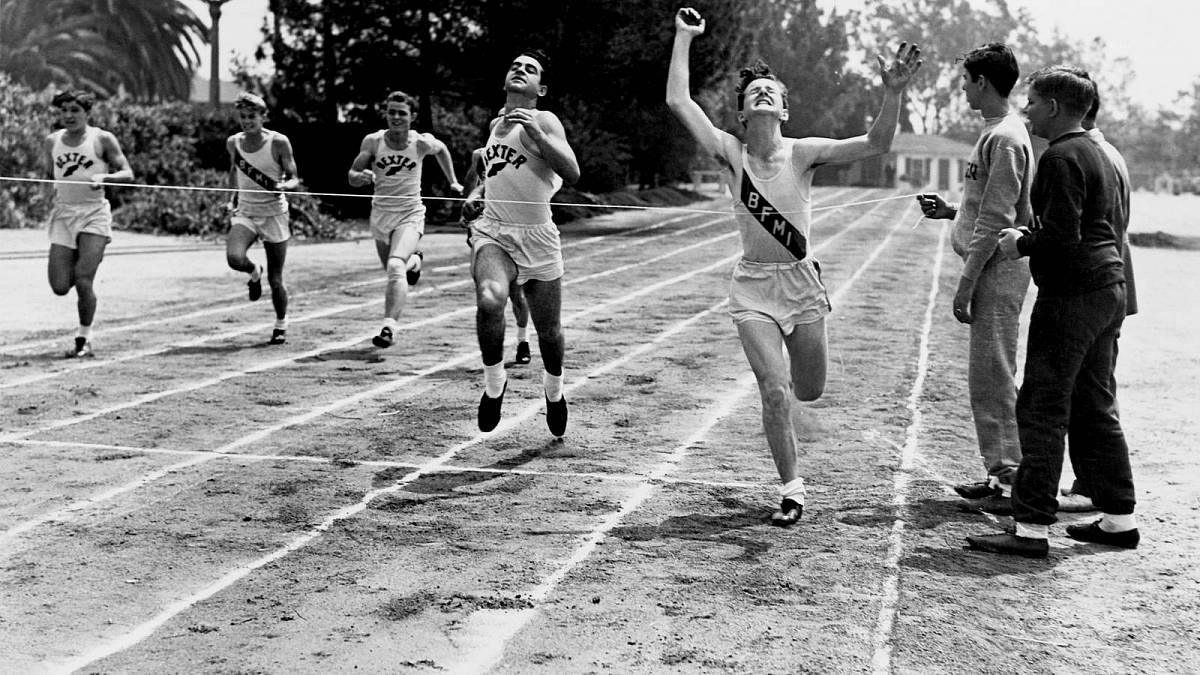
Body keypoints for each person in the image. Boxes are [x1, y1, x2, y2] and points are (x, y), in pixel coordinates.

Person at [666, 8, 921, 526]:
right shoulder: (729, 151)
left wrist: (892, 92)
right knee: (775, 390)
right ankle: (792, 488)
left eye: (771, 91)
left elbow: (876, 144)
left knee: (809, 390)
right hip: (754, 288)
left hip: (802, 285)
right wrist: (684, 36)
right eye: (754, 90)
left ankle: (794, 432)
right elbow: (678, 100)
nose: (762, 93)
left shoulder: (803, 153)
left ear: (784, 109)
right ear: (741, 113)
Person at [967, 67, 1138, 557]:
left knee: (1041, 406)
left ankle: (1031, 528)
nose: (1027, 110)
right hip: (1109, 290)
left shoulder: (1062, 157)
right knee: (1093, 404)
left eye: (1035, 102)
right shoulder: (1099, 152)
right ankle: (1119, 518)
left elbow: (1062, 236)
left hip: (1074, 295)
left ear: (1056, 108)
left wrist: (1021, 242)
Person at [915, 43, 1033, 515]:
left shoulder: (1005, 137)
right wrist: (951, 212)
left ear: (983, 82)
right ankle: (1000, 470)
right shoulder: (995, 134)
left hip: (997, 273)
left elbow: (999, 219)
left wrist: (964, 285)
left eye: (966, 79)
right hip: (990, 268)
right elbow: (983, 203)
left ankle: (1012, 478)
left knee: (994, 374)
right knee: (986, 376)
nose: (962, 86)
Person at [465, 49, 580, 437]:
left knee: (549, 331)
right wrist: (477, 190)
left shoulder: (544, 119)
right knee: (489, 299)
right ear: (505, 80)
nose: (520, 70)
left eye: (530, 69)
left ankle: (554, 392)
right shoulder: (496, 123)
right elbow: (497, 170)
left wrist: (536, 133)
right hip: (494, 230)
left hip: (538, 237)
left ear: (540, 88)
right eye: (515, 65)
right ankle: (494, 386)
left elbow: (572, 170)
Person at [1060, 78, 1138, 512]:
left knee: (1090, 392)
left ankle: (1095, 486)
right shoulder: (1108, 153)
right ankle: (1094, 485)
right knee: (1094, 388)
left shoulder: (1089, 156)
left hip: (1096, 284)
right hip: (1111, 281)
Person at [348, 90, 463, 348]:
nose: (396, 117)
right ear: (385, 114)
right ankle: (414, 261)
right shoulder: (373, 142)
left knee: (394, 267)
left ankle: (388, 327)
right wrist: (361, 176)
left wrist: (453, 181)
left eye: (402, 113)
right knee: (394, 268)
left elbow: (442, 150)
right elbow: (352, 174)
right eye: (392, 112)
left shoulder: (420, 143)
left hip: (410, 213)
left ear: (412, 116)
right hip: (381, 215)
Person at [43, 90, 134, 358]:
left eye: (75, 110)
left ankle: (84, 337)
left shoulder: (102, 138)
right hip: (63, 214)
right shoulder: (52, 141)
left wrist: (105, 179)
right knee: (60, 286)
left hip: (94, 213)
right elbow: (49, 176)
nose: (68, 116)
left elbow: (127, 173)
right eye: (63, 111)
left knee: (83, 280)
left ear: (87, 112)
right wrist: (43, 195)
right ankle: (83, 260)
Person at [225, 92, 301, 345]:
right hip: (246, 212)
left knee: (276, 279)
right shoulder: (233, 142)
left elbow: (293, 176)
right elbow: (233, 173)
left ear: (263, 117)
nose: (247, 122)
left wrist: (286, 185)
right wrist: (230, 199)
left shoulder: (279, 142)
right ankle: (253, 270)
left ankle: (281, 323)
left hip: (274, 214)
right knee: (234, 258)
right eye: (243, 117)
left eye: (252, 117)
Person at [462, 144, 532, 365]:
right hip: (484, 228)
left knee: (517, 294)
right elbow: (471, 189)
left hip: (514, 228)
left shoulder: (526, 155)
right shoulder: (481, 155)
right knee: (487, 290)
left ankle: (523, 340)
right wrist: (468, 212)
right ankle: (493, 348)